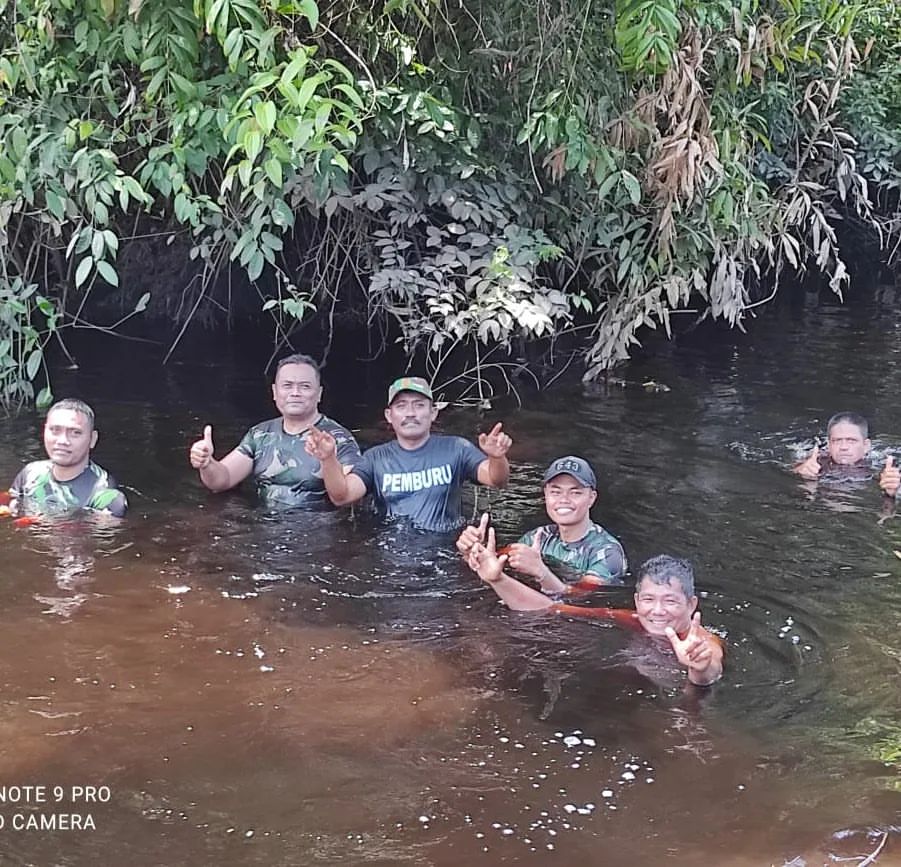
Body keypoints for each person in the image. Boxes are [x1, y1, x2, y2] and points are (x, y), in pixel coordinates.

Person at [464, 532, 723, 687]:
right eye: (648, 600)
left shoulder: (701, 642)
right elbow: (552, 608)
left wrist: (700, 669)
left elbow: (711, 664)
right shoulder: (633, 619)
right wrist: (497, 580)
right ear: (636, 600)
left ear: (691, 604)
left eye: (670, 601)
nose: (657, 611)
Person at [305, 376, 512, 532]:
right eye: (401, 406)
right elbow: (342, 496)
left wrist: (497, 457)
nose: (411, 413)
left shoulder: (457, 448)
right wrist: (328, 459)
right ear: (389, 415)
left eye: (419, 405)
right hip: (390, 556)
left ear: (433, 412)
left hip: (444, 551)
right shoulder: (375, 458)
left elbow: (496, 479)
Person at [188, 354, 360, 508]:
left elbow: (347, 497)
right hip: (263, 527)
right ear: (275, 392)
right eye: (287, 385)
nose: (295, 393)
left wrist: (328, 458)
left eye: (305, 386)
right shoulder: (260, 434)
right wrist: (206, 463)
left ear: (319, 394)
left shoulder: (338, 439)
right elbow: (221, 480)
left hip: (317, 530)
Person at [456, 455, 626, 593]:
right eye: (555, 492)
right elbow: (496, 561)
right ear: (545, 495)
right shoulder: (539, 537)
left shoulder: (607, 552)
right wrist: (474, 551)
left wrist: (541, 572)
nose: (564, 500)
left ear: (591, 498)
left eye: (575, 492)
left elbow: (582, 597)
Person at [8, 398, 127, 517]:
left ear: (92, 439)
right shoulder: (30, 473)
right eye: (55, 430)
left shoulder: (105, 496)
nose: (62, 441)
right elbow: (10, 502)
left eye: (75, 432)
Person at [793, 412, 872, 480]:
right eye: (837, 440)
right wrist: (800, 472)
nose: (843, 447)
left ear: (866, 446)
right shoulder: (817, 461)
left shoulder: (878, 466)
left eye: (851, 440)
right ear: (829, 445)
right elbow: (794, 468)